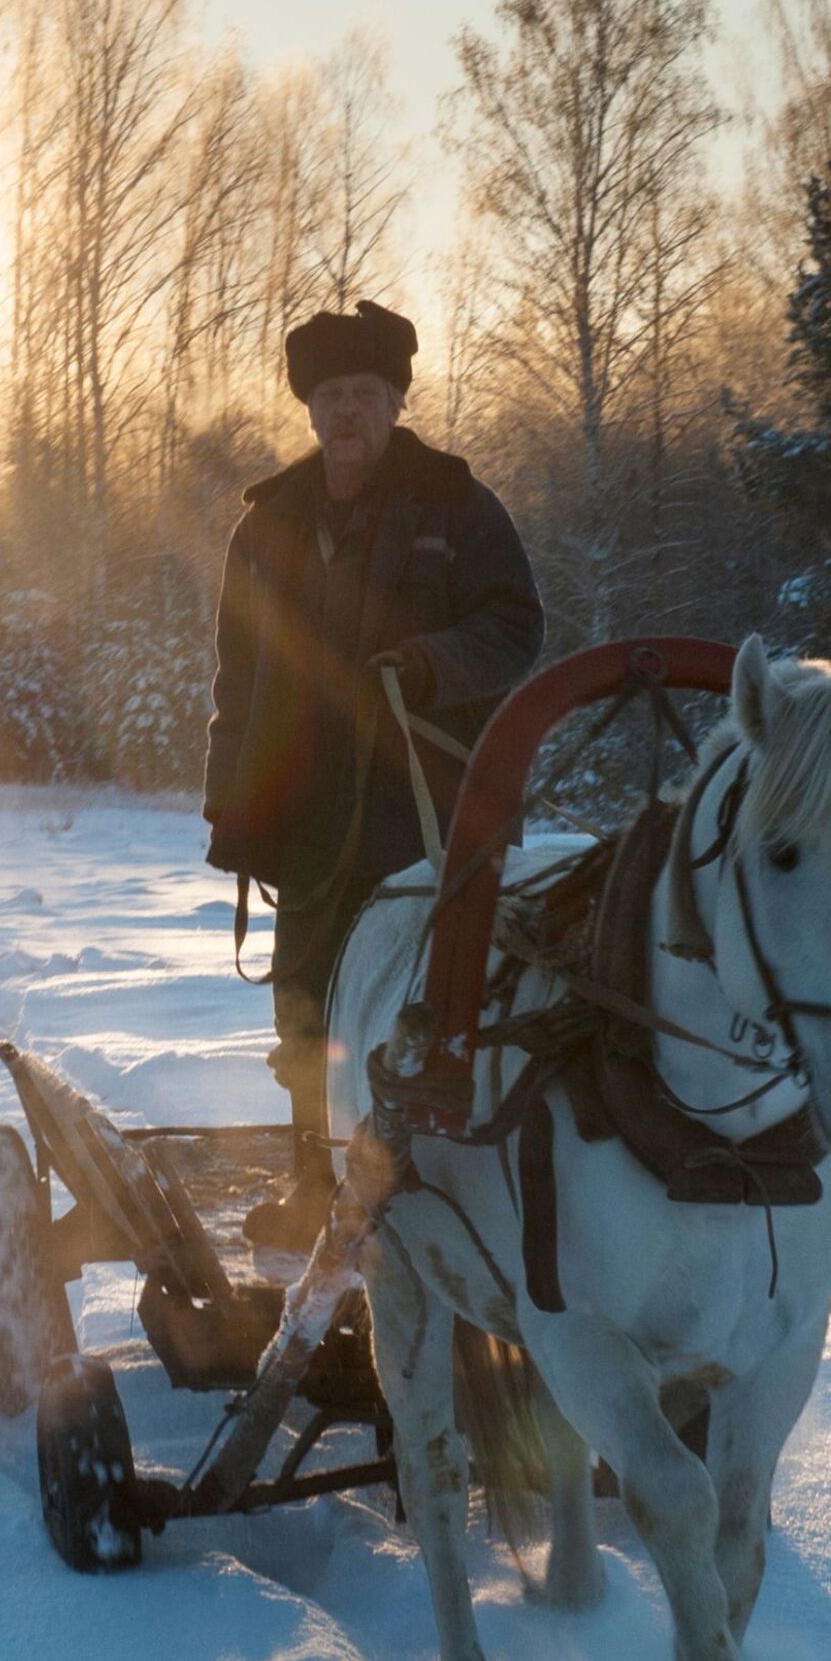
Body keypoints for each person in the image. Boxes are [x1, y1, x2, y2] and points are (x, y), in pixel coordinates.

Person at [202, 300, 544, 1244]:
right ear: (309, 410)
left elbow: (517, 629)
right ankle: (317, 1197)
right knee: (305, 1011)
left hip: (429, 811)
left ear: (396, 402)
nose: (346, 411)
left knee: (427, 1013)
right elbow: (238, 674)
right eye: (330, 396)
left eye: (365, 394)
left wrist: (430, 666)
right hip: (306, 810)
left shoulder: (458, 507)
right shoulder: (266, 527)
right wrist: (230, 802)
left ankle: (432, 1205)